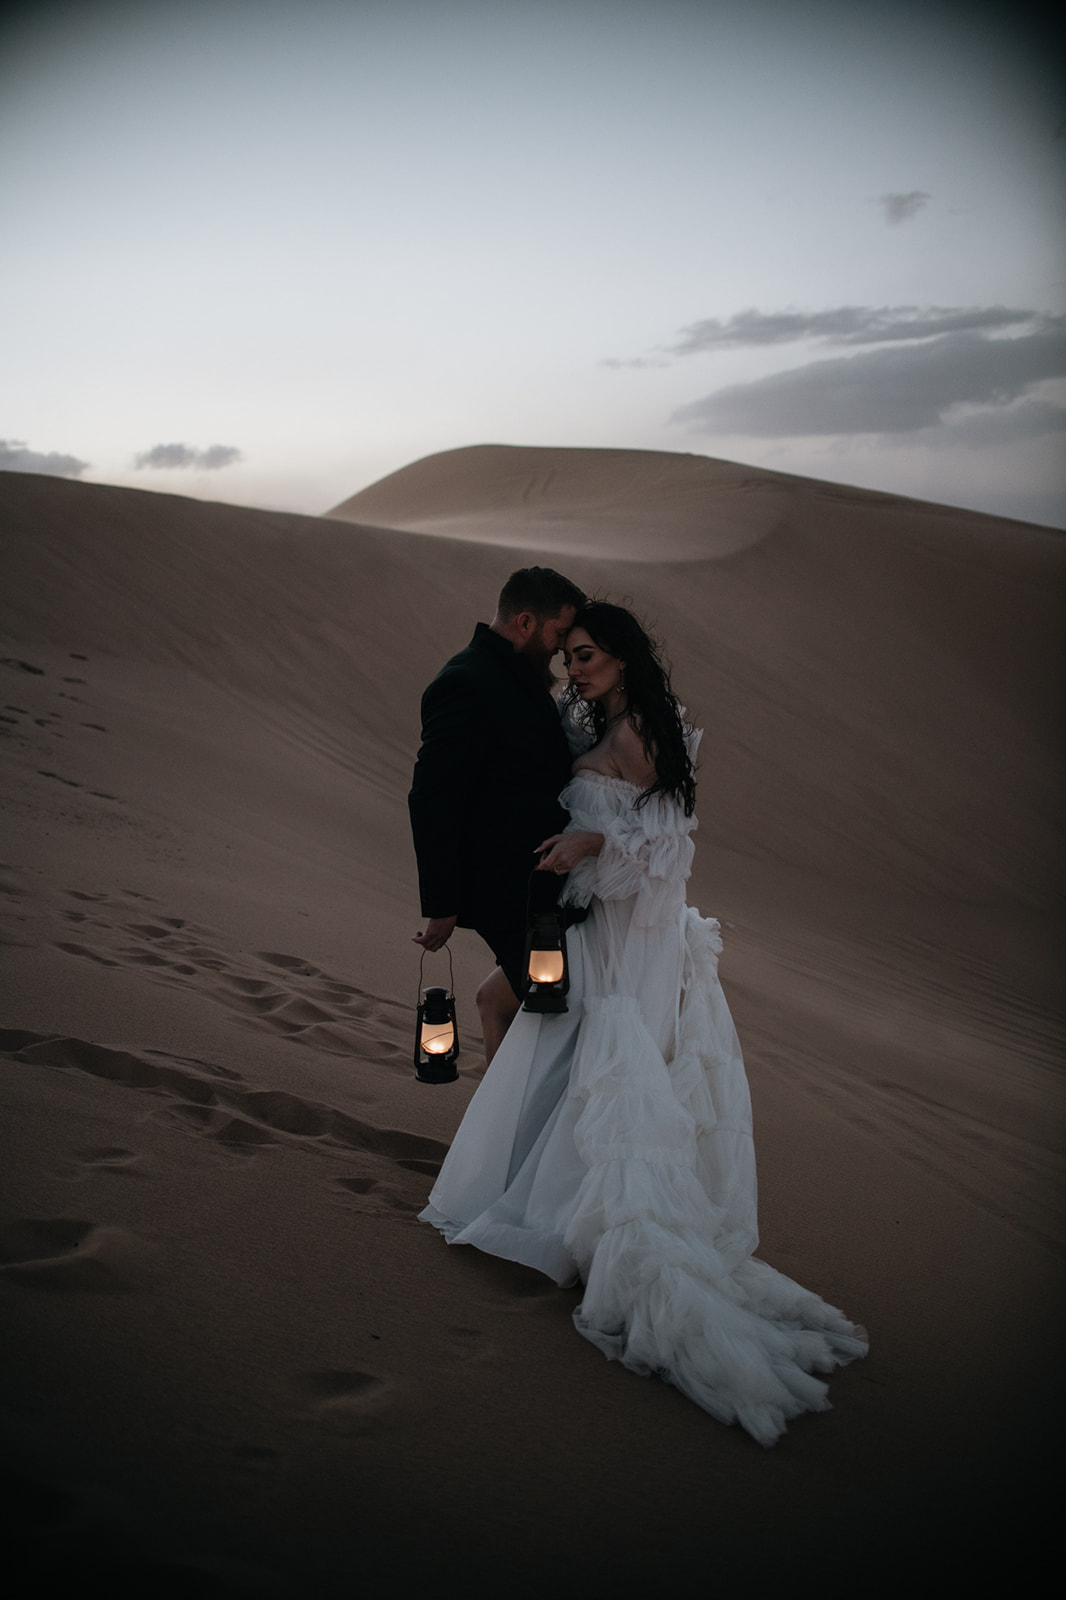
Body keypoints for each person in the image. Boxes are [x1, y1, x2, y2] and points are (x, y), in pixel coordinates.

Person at [421, 601, 868, 1446]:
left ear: (624, 658)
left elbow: (670, 858)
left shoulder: (644, 738)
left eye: (587, 656)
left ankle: (557, 1208)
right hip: (581, 924)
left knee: (570, 1049)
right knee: (502, 1008)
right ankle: (525, 1177)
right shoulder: (594, 719)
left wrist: (589, 847)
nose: (575, 668)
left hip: (624, 938)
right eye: (571, 656)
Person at [410, 566, 587, 1062]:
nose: (559, 649)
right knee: (558, 1025)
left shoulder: (520, 676)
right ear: (526, 622)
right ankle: (514, 1135)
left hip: (548, 890)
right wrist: (443, 901)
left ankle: (508, 1131)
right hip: (510, 895)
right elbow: (432, 796)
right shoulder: (465, 682)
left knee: (525, 1009)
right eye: (557, 635)